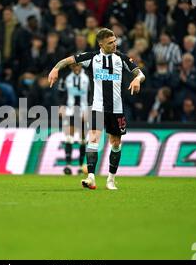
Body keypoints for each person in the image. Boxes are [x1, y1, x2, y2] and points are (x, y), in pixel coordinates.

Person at [48, 28, 146, 190]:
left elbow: (140, 74)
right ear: (101, 44)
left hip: (116, 109)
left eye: (115, 41)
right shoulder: (92, 58)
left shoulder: (121, 58)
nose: (114, 44)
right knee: (93, 138)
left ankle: (111, 179)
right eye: (110, 42)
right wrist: (55, 68)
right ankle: (91, 177)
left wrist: (137, 79)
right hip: (98, 108)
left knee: (115, 143)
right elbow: (68, 60)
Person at [62, 63, 90, 176]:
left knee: (83, 139)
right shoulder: (66, 78)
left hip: (84, 110)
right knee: (69, 137)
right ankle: (68, 165)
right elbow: (61, 93)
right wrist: (61, 106)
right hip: (70, 110)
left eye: (77, 66)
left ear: (81, 66)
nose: (76, 68)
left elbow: (92, 94)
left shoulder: (87, 78)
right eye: (73, 66)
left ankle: (80, 166)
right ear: (71, 67)